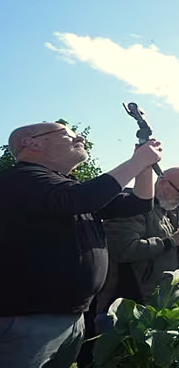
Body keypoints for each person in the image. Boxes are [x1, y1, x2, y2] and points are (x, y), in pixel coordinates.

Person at [0, 122, 162, 368]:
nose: (79, 138)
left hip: (72, 316)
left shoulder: (67, 186)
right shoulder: (20, 179)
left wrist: (144, 164)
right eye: (67, 133)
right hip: (28, 318)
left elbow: (138, 203)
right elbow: (81, 198)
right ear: (31, 142)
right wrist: (136, 162)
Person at [101, 168, 179, 308]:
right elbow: (123, 249)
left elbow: (172, 244)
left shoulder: (164, 209)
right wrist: (171, 241)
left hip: (156, 298)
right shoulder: (130, 206)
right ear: (163, 183)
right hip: (130, 302)